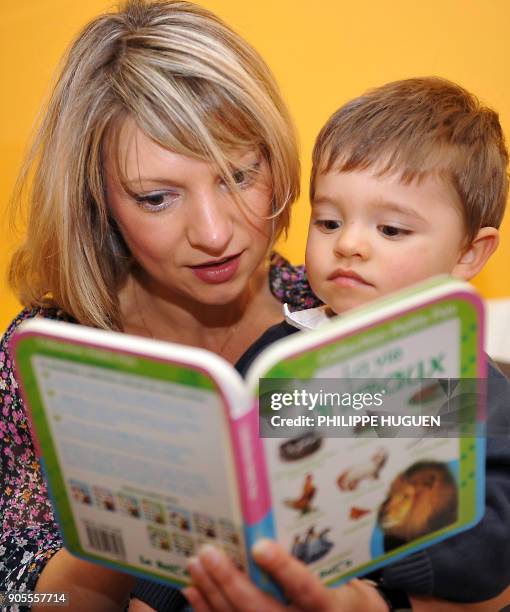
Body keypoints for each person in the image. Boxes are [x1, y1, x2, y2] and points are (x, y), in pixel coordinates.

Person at [1, 1, 323, 610]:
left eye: (240, 175)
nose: (214, 232)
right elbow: (26, 599)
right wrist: (122, 520)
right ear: (99, 201)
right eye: (156, 198)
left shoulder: (332, 310)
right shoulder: (51, 355)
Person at [179, 78, 510, 612]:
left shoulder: (461, 379)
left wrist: (362, 549)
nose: (350, 244)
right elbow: (207, 490)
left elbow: (489, 546)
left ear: (469, 253)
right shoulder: (277, 354)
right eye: (329, 221)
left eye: (392, 230)